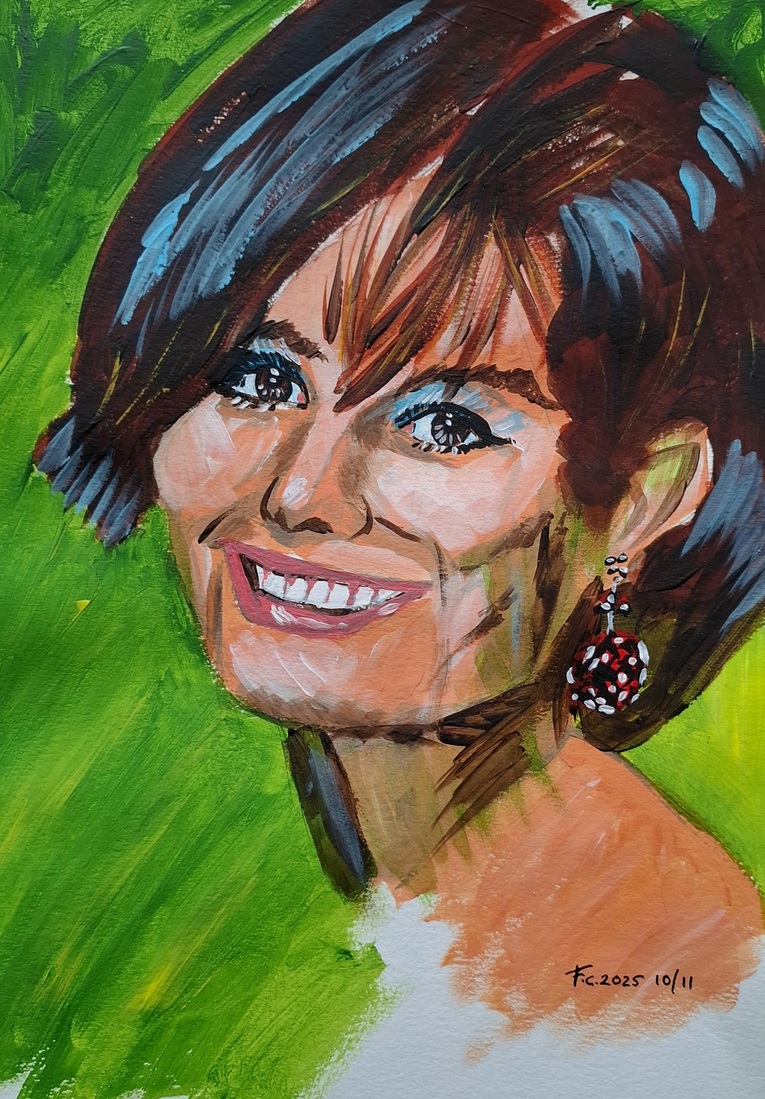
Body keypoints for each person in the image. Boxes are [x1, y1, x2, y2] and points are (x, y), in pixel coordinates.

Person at [35, 0, 765, 1032]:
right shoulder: (288, 904)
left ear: (646, 494)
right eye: (258, 377)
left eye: (445, 424)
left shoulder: (644, 1007)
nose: (300, 492)